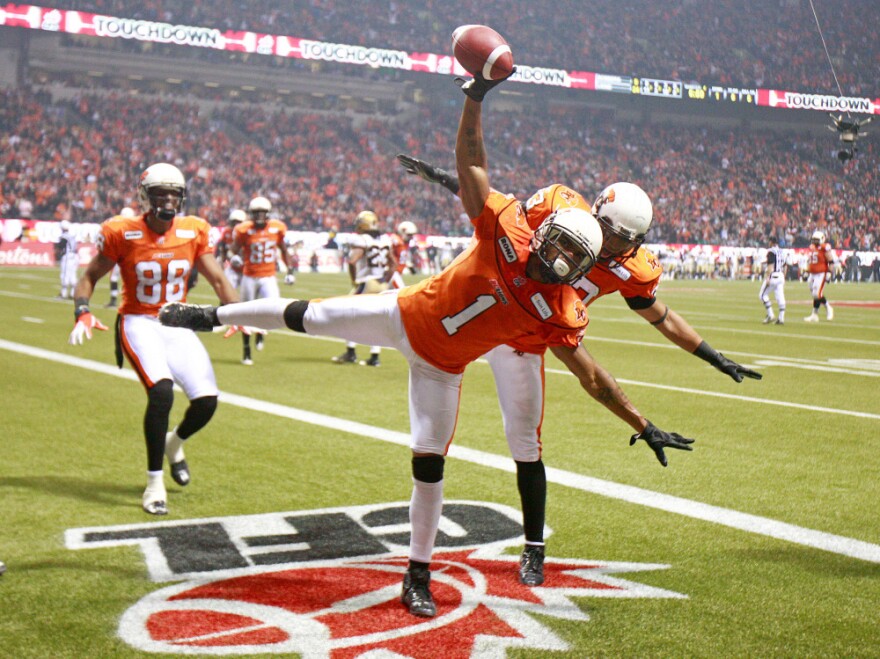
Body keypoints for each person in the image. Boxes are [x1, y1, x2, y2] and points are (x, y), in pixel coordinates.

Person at [159, 71, 695, 618]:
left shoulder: (562, 308)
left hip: (443, 369)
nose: (559, 261)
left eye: (572, 259)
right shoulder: (504, 229)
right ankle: (211, 313)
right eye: (557, 244)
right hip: (401, 314)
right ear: (543, 230)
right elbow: (473, 165)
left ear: (585, 267)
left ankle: (417, 572)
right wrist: (476, 98)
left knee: (430, 465)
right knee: (310, 315)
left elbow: (591, 376)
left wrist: (641, 423)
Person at [397, 153, 763, 585]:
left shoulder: (633, 268)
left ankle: (534, 548)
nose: (610, 248)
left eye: (623, 242)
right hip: (491, 308)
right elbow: (498, 216)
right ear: (594, 217)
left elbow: (660, 316)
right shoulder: (558, 207)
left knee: (526, 446)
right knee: (431, 361)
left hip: (530, 342)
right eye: (607, 235)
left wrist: (711, 354)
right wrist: (447, 178)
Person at [67, 163, 239, 515]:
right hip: (138, 320)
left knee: (206, 402)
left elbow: (219, 281)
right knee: (161, 392)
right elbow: (89, 276)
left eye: (174, 193)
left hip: (177, 321)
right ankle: (154, 482)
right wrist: (82, 309)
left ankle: (174, 444)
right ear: (145, 196)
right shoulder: (121, 231)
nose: (168, 199)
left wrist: (240, 314)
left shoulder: (194, 231)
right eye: (161, 193)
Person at [230, 196, 295, 365]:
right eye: (256, 212)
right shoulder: (244, 230)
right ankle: (246, 350)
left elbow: (284, 250)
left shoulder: (277, 228)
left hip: (268, 276)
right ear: (251, 214)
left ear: (267, 213)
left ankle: (260, 333)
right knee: (245, 313)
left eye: (262, 212)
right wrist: (234, 258)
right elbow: (233, 250)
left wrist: (290, 271)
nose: (259, 216)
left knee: (274, 308)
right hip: (249, 276)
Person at [331, 210, 397, 367]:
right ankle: (375, 357)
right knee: (377, 320)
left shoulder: (362, 240)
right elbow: (393, 263)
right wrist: (385, 278)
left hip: (367, 283)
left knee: (347, 314)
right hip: (381, 283)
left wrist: (355, 280)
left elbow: (352, 261)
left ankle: (351, 352)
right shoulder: (384, 240)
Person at [804, 230, 838, 322]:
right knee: (815, 295)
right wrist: (807, 271)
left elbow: (830, 261)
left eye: (816, 240)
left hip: (821, 273)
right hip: (812, 273)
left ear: (822, 239)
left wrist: (829, 273)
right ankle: (814, 315)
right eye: (814, 240)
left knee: (817, 294)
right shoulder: (812, 247)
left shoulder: (824, 247)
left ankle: (828, 308)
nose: (814, 241)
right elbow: (811, 261)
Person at [105, 207, 136, 308]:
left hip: (120, 256)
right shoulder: (137, 227)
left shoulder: (117, 227)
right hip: (132, 257)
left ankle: (114, 300)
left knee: (114, 277)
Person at [216, 208, 246, 291]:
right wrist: (222, 261)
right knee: (226, 291)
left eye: (239, 223)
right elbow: (222, 249)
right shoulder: (227, 232)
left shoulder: (248, 233)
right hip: (233, 269)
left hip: (247, 270)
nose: (236, 226)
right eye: (234, 223)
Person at [760, 234, 787, 324]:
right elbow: (785, 265)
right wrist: (784, 277)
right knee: (780, 297)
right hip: (781, 275)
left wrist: (767, 277)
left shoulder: (771, 251)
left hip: (773, 275)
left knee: (762, 295)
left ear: (771, 242)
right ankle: (781, 318)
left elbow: (771, 266)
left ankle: (770, 314)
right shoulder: (781, 251)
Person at [390, 220, 417, 290]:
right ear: (402, 232)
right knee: (401, 291)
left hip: (398, 273)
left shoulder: (405, 243)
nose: (411, 237)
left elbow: (401, 258)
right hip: (393, 273)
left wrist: (408, 265)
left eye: (412, 235)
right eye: (409, 235)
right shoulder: (396, 240)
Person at [55, 220, 78, 299]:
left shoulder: (64, 237)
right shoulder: (72, 236)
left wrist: (58, 256)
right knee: (73, 275)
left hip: (67, 257)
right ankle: (72, 293)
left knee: (65, 275)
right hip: (74, 256)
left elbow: (60, 248)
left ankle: (63, 294)